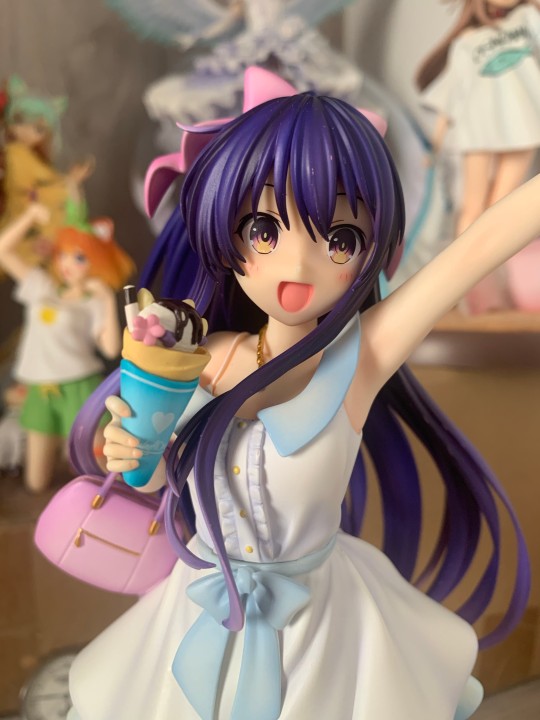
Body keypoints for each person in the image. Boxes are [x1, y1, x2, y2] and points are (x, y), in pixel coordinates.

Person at [66, 69, 537, 719]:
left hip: (325, 628)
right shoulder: (199, 354)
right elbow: (150, 478)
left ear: (371, 250)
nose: (297, 266)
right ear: (225, 231)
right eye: (265, 229)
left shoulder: (361, 359)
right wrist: (131, 445)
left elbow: (478, 246)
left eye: (340, 240)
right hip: (199, 604)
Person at [0, 198, 134, 492]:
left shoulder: (92, 302)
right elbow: (3, 250)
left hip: (80, 387)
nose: (68, 264)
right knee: (36, 483)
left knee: (92, 474)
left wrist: (106, 299)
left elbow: (111, 349)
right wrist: (30, 215)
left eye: (79, 258)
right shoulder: (42, 286)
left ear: (96, 262)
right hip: (41, 390)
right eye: (64, 254)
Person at [415, 0, 540, 312]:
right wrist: (435, 146)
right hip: (479, 127)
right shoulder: (467, 41)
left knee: (501, 209)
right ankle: (456, 286)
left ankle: (490, 288)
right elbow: (451, 96)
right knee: (472, 209)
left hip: (522, 125)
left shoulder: (527, 19)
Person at [0, 75, 94, 267]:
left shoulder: (29, 158)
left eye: (38, 129)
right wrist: (68, 182)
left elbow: (48, 185)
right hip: (19, 221)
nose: (26, 131)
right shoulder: (14, 154)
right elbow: (36, 185)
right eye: (20, 121)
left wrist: (70, 182)